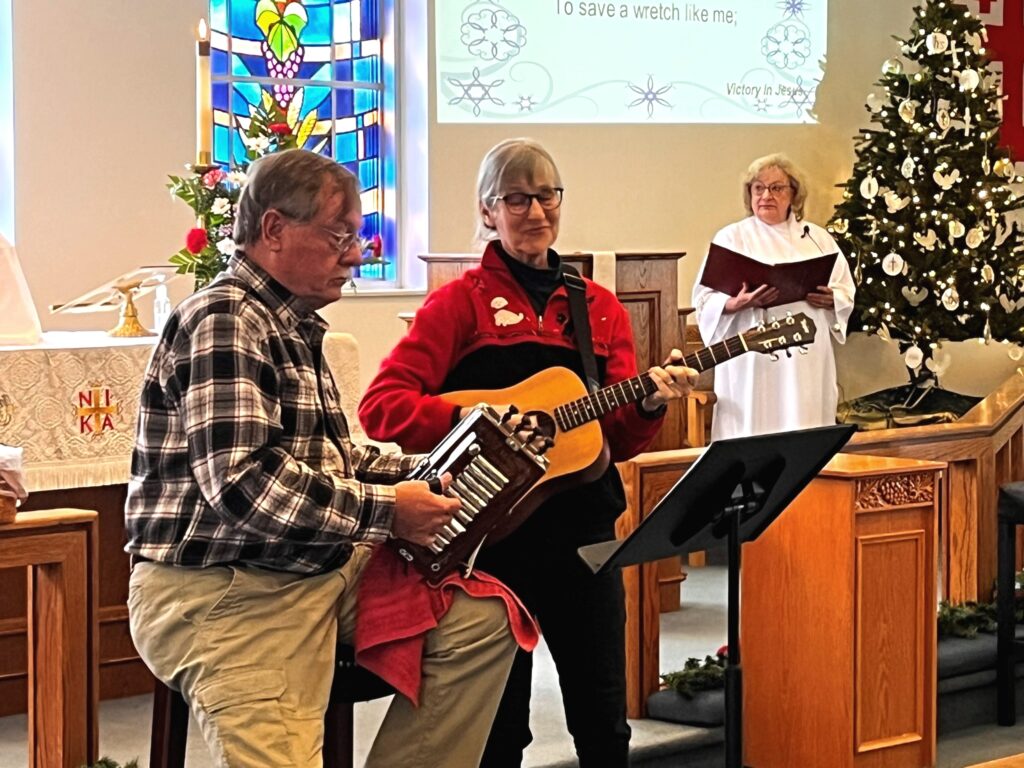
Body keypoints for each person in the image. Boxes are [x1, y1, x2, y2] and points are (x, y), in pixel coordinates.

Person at [124, 149, 520, 768]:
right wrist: (390, 511)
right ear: (274, 229)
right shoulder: (226, 319)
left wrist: (442, 466)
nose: (356, 255)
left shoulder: (291, 323)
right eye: (341, 236)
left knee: (481, 625)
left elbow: (331, 459)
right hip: (225, 591)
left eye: (357, 238)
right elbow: (243, 486)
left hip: (310, 574)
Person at [358, 137, 697, 767]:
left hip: (585, 534)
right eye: (517, 199)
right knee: (500, 728)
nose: (536, 211)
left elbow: (612, 441)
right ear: (488, 211)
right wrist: (472, 418)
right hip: (494, 543)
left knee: (603, 718)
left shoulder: (597, 309)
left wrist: (650, 404)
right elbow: (382, 406)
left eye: (547, 196)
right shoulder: (456, 303)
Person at [692, 153, 856, 441]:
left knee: (804, 423)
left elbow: (845, 290)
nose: (766, 195)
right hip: (749, 357)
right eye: (758, 188)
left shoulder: (818, 239)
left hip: (806, 357)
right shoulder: (731, 238)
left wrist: (833, 299)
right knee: (753, 428)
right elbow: (704, 299)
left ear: (794, 193)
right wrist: (734, 303)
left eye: (776, 188)